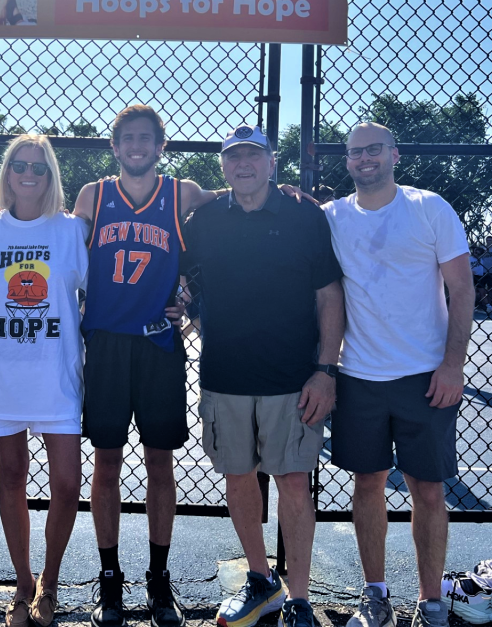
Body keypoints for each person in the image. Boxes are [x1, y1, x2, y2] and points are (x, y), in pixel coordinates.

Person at [183, 125, 345, 627]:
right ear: (224, 167)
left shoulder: (304, 214)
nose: (244, 164)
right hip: (224, 374)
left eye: (254, 155)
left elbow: (329, 296)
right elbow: (183, 281)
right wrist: (179, 303)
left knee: (295, 482)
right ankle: (261, 580)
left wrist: (325, 370)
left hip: (291, 378)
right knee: (238, 477)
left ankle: (299, 598)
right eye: (234, 158)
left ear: (272, 163)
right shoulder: (204, 219)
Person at [72, 104, 226, 627]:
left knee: (161, 464)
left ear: (161, 146)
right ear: (114, 146)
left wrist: (287, 192)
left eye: (147, 139)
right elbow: (59, 244)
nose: (137, 146)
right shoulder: (93, 195)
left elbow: (232, 198)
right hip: (109, 346)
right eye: (127, 138)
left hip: (160, 345)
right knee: (107, 462)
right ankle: (110, 579)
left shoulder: (179, 192)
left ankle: (159, 581)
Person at [322, 123, 473, 627]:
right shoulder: (332, 217)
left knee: (428, 490)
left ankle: (430, 601)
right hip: (358, 375)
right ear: (347, 161)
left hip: (425, 375)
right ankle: (376, 593)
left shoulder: (430, 207)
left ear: (394, 155)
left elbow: (462, 290)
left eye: (374, 150)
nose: (365, 158)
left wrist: (453, 364)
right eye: (356, 152)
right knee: (368, 484)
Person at [0, 135, 88, 627]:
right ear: (7, 171)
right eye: (20, 165)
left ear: (51, 173)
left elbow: (93, 287)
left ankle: (51, 582)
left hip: (55, 373)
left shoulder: (70, 230)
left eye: (39, 166)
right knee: (12, 476)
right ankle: (22, 584)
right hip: (3, 372)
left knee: (66, 482)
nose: (29, 173)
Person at [477, 236, 492, 312]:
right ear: (486, 241)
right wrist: (484, 252)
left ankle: (489, 304)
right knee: (481, 289)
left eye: (490, 240)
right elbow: (478, 257)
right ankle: (484, 304)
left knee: (490, 289)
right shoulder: (482, 248)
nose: (489, 241)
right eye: (487, 240)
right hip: (482, 271)